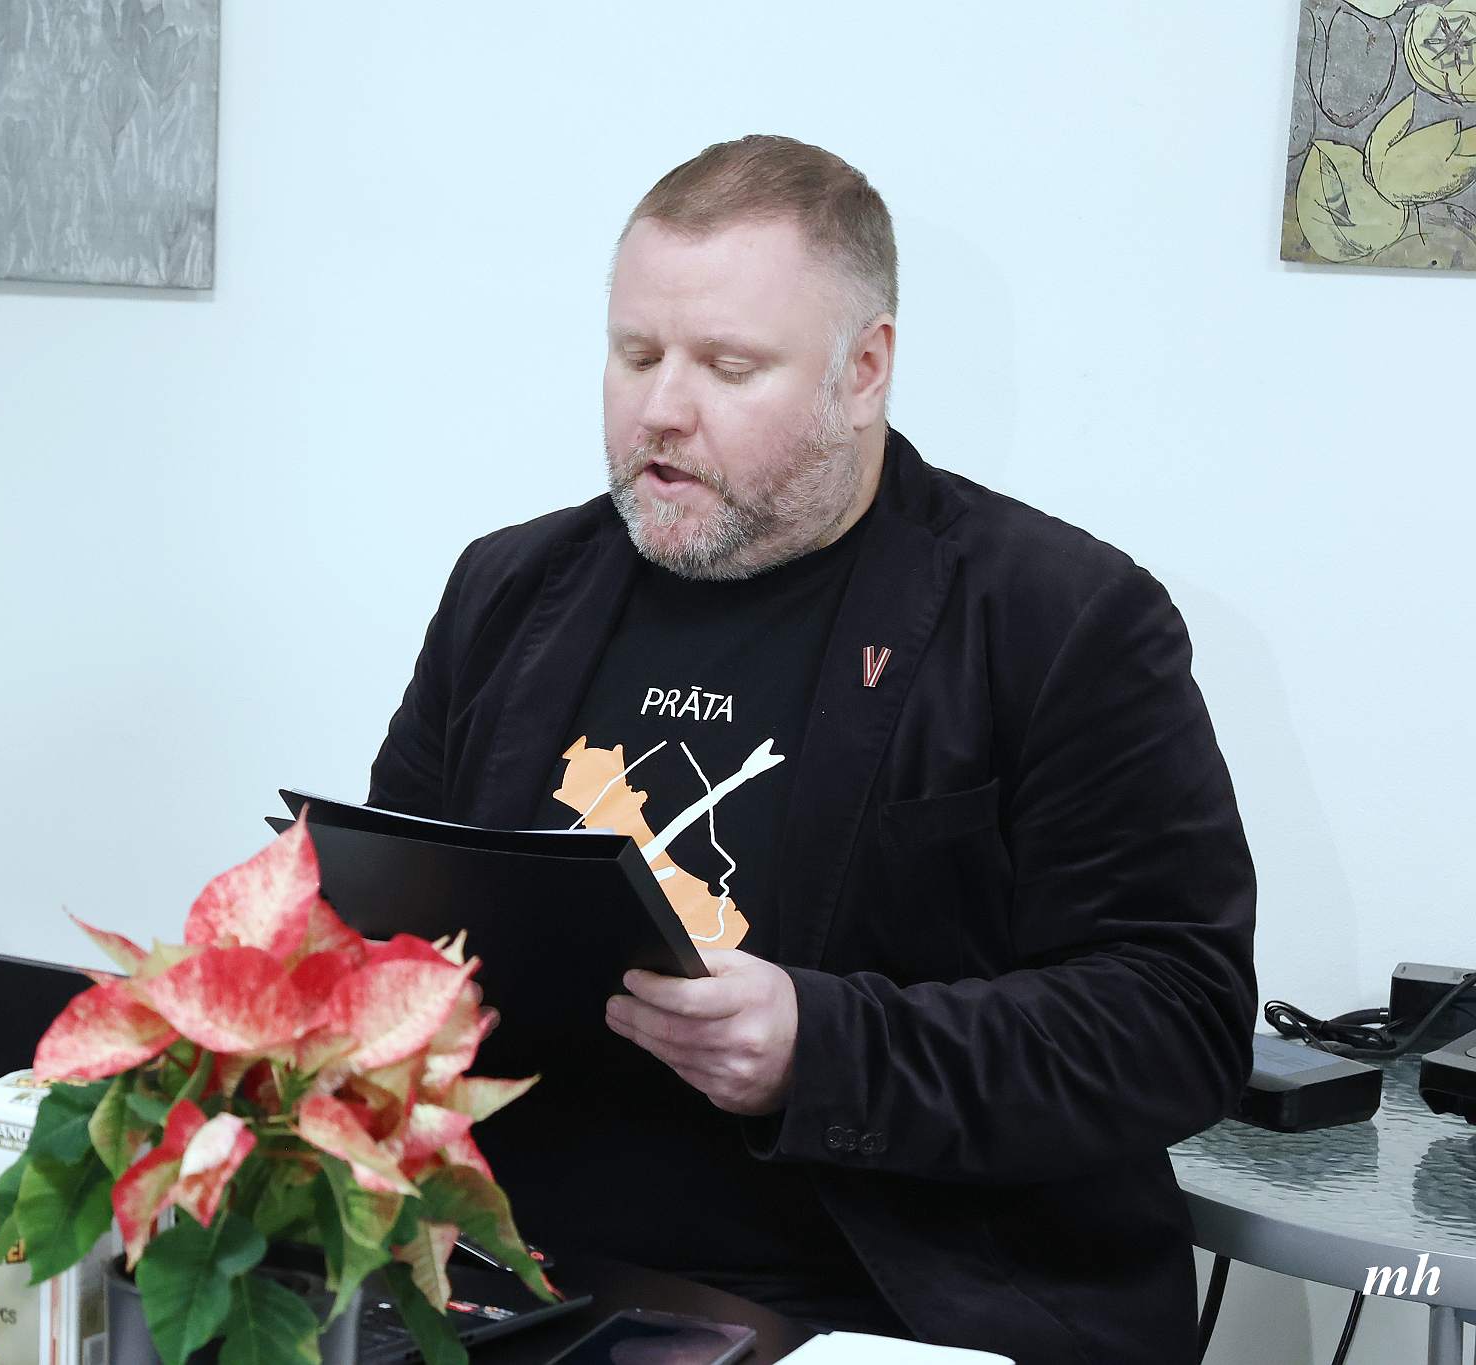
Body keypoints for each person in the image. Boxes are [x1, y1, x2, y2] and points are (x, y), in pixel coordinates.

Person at [365, 135, 1256, 1364]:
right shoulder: (508, 590)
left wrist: (821, 1051)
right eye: (636, 355)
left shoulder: (1058, 620)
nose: (661, 408)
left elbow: (1174, 1019)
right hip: (515, 1276)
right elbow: (385, 930)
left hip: (882, 1304)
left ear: (863, 370)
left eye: (727, 366)